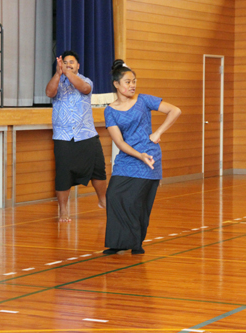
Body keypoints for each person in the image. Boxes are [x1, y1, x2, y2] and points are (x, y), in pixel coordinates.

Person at [103, 59, 181, 255]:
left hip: (150, 158)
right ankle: (117, 242)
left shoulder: (144, 100)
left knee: (136, 201)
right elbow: (119, 142)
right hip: (129, 158)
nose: (132, 85)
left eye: (134, 81)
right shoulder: (110, 110)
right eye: (128, 81)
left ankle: (136, 243)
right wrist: (138, 155)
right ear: (116, 84)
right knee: (113, 195)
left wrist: (158, 133)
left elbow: (175, 110)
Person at [45, 50, 107, 223]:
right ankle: (63, 210)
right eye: (65, 62)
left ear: (78, 65)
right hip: (63, 136)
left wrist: (68, 73)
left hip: (86, 134)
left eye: (72, 62)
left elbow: (84, 88)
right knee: (63, 174)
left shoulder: (85, 80)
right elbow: (49, 93)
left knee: (98, 170)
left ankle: (103, 200)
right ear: (60, 64)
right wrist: (58, 74)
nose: (69, 64)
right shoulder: (57, 81)